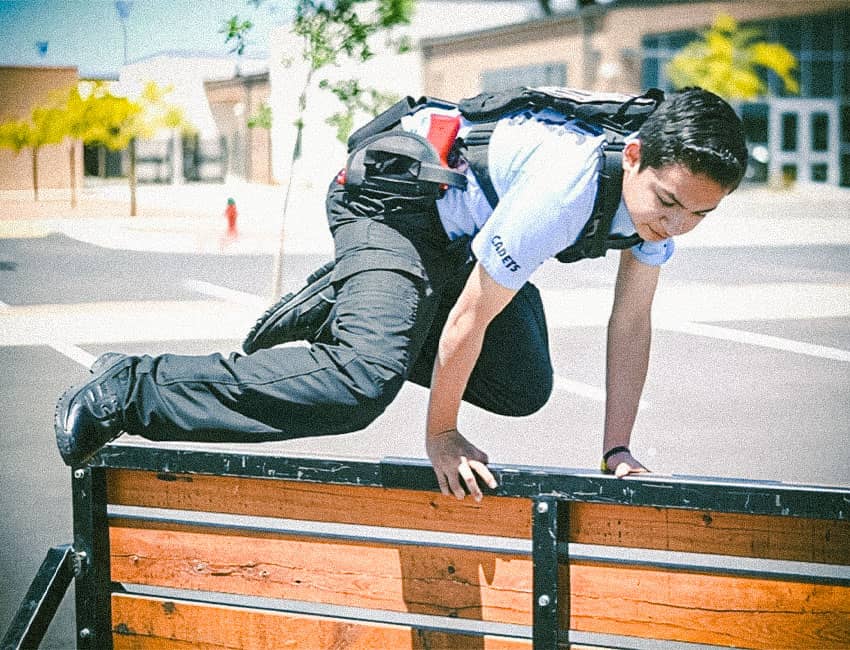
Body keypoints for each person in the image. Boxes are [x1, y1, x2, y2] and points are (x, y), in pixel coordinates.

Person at [55, 86, 748, 502]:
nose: (675, 224)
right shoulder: (564, 189)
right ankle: (130, 388)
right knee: (361, 384)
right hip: (390, 204)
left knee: (524, 385)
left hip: (460, 236)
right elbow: (471, 318)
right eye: (667, 203)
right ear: (634, 156)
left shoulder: (659, 205)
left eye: (698, 214)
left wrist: (616, 449)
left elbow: (631, 323)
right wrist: (440, 435)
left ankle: (367, 312)